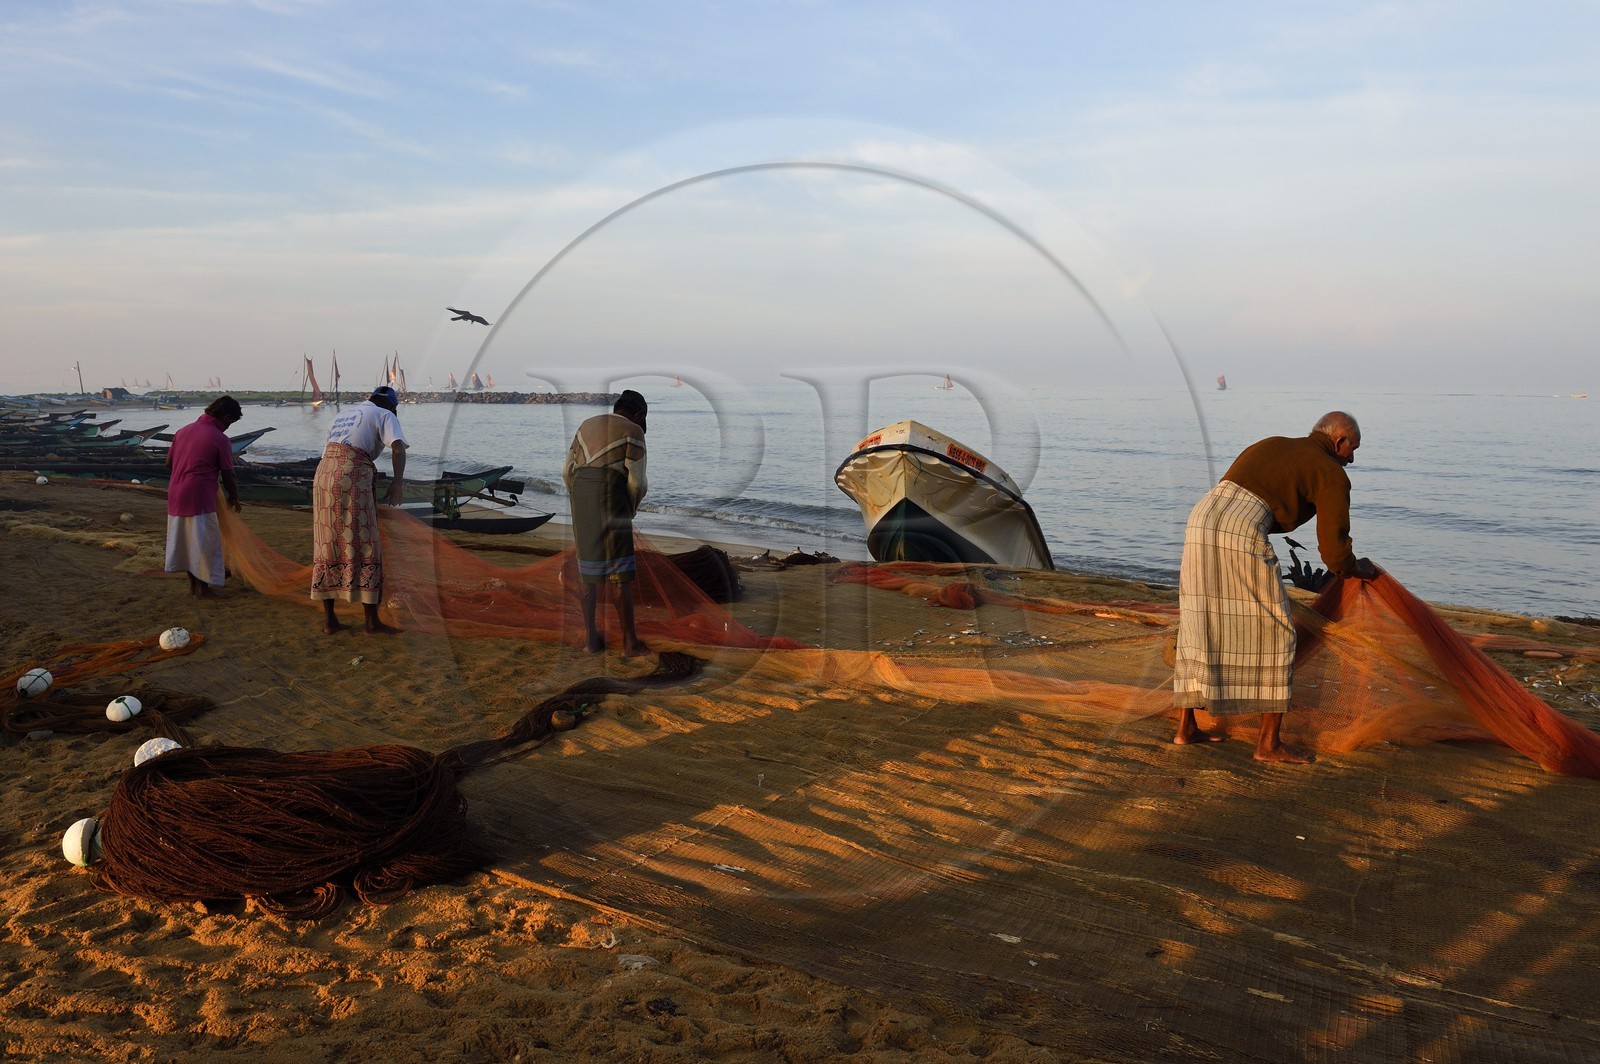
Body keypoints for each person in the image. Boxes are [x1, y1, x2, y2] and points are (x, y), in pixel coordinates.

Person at [1172, 410, 1378, 763]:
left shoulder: (1272, 444)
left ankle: (1186, 728)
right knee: (1279, 631)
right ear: (1339, 441)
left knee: (1199, 621)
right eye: (1352, 449)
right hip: (1240, 529)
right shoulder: (1330, 471)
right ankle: (1268, 744)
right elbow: (1334, 551)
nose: (1352, 459)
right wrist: (1353, 568)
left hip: (1201, 519)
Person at [311, 385, 407, 635]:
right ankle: (371, 623)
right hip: (350, 475)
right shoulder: (385, 415)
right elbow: (398, 447)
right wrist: (397, 484)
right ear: (391, 406)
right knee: (366, 542)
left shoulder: (343, 414)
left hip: (323, 475)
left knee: (327, 542)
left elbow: (330, 451)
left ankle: (330, 621)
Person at [563, 390, 649, 655]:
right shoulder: (633, 430)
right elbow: (637, 483)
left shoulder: (587, 424)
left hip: (581, 493)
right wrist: (629, 510)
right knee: (619, 573)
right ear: (638, 414)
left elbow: (566, 472)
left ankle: (591, 641)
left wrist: (578, 500)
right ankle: (630, 643)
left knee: (587, 570)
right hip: (611, 495)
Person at [164, 396, 243, 598]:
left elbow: (168, 464)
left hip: (176, 493)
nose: (228, 427)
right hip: (199, 496)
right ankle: (202, 589)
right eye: (230, 423)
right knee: (204, 543)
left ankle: (194, 586)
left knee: (187, 542)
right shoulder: (219, 438)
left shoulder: (182, 431)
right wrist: (233, 497)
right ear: (226, 417)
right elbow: (228, 474)